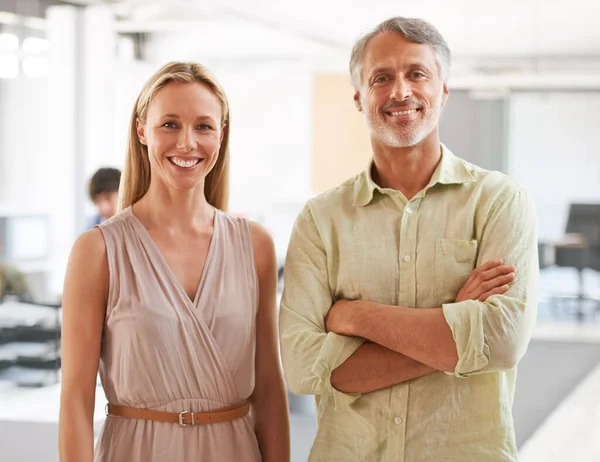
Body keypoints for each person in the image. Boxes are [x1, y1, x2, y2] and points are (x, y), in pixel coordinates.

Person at [279, 17, 538, 462]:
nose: (401, 91)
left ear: (443, 91)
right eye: (382, 78)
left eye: (417, 74)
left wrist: (357, 318)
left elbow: (500, 343)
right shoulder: (321, 219)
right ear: (359, 98)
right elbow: (302, 369)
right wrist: (453, 326)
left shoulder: (498, 201)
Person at [59, 62, 290, 462]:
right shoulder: (97, 251)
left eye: (203, 126)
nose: (187, 143)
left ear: (222, 134)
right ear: (141, 130)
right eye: (169, 124)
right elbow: (76, 402)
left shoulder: (255, 246)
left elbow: (269, 389)